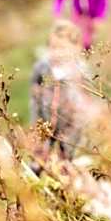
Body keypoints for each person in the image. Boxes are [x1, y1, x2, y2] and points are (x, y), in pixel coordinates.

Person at [29, 20, 94, 165]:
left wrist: (73, 133)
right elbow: (35, 99)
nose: (57, 53)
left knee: (67, 162)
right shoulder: (42, 68)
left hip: (72, 126)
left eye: (62, 48)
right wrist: (36, 126)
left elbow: (85, 104)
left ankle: (66, 164)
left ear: (76, 48)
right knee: (38, 161)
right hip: (45, 123)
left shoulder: (81, 71)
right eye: (53, 47)